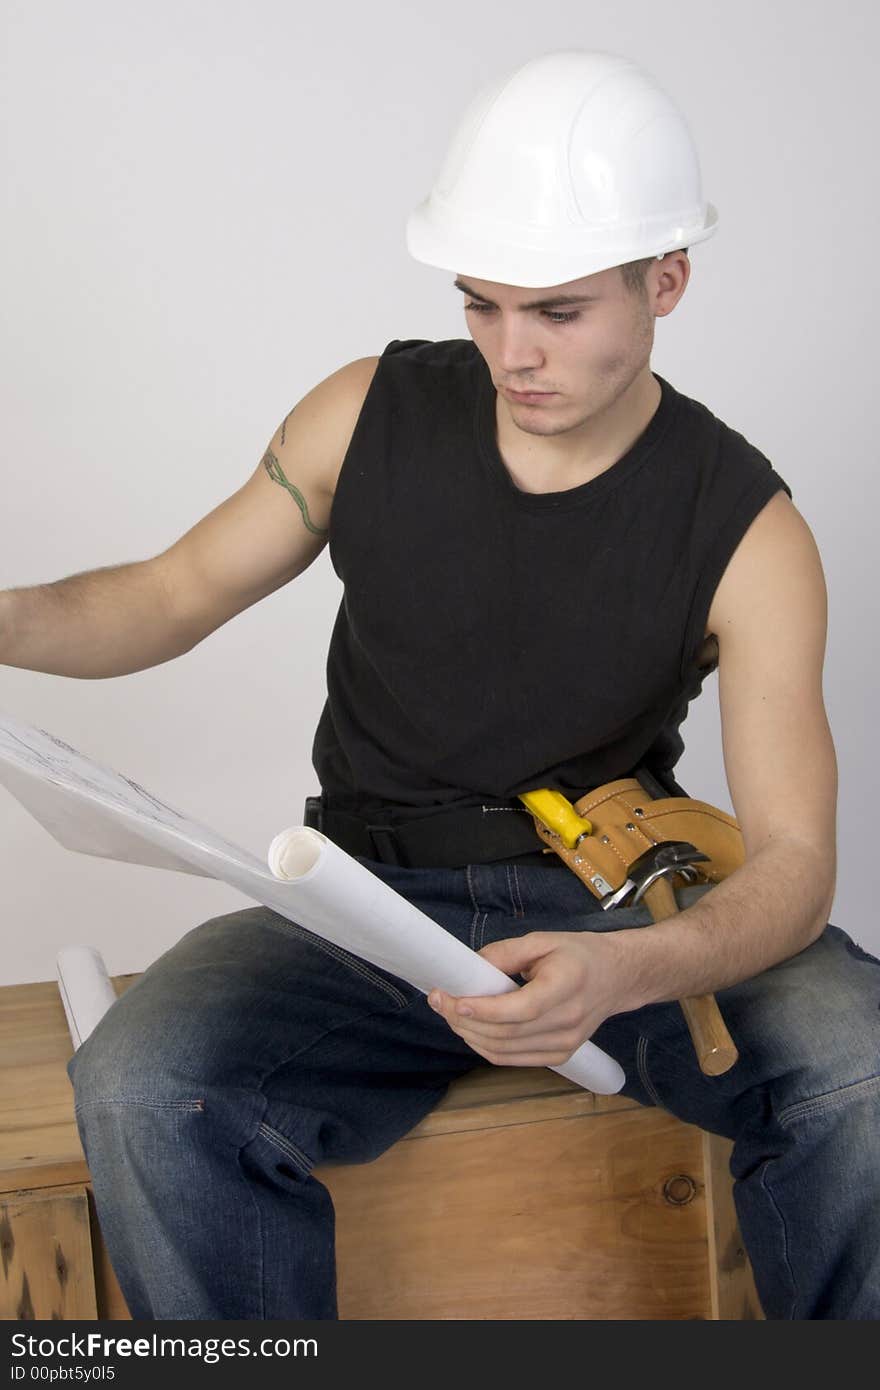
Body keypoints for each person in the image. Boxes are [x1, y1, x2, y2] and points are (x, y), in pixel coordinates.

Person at [3, 49, 878, 1321]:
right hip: (359, 913)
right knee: (145, 1084)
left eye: (559, 312)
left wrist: (626, 975)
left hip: (606, 908)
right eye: (482, 303)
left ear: (665, 280)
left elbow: (795, 865)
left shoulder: (748, 531)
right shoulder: (364, 413)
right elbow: (166, 593)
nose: (510, 352)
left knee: (858, 1065)